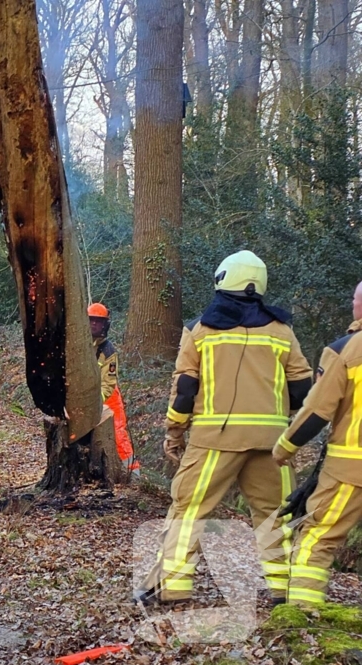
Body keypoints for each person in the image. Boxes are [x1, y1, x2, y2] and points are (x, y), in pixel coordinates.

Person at [135, 250, 313, 605]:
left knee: (189, 511)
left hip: (214, 440)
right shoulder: (282, 331)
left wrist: (174, 431)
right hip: (272, 443)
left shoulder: (201, 330)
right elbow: (302, 389)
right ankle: (284, 590)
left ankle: (172, 588)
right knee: (277, 515)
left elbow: (185, 389)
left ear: (222, 279)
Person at [272, 280, 362, 606]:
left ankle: (301, 617)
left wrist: (284, 448)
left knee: (317, 537)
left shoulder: (346, 350)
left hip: (350, 469)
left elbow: (316, 412)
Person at [88, 303, 140, 474]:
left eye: (98, 321)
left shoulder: (108, 351)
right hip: (86, 397)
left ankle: (132, 472)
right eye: (91, 320)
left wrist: (97, 402)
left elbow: (108, 383)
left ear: (105, 324)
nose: (94, 324)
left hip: (108, 399)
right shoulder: (79, 345)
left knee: (118, 435)